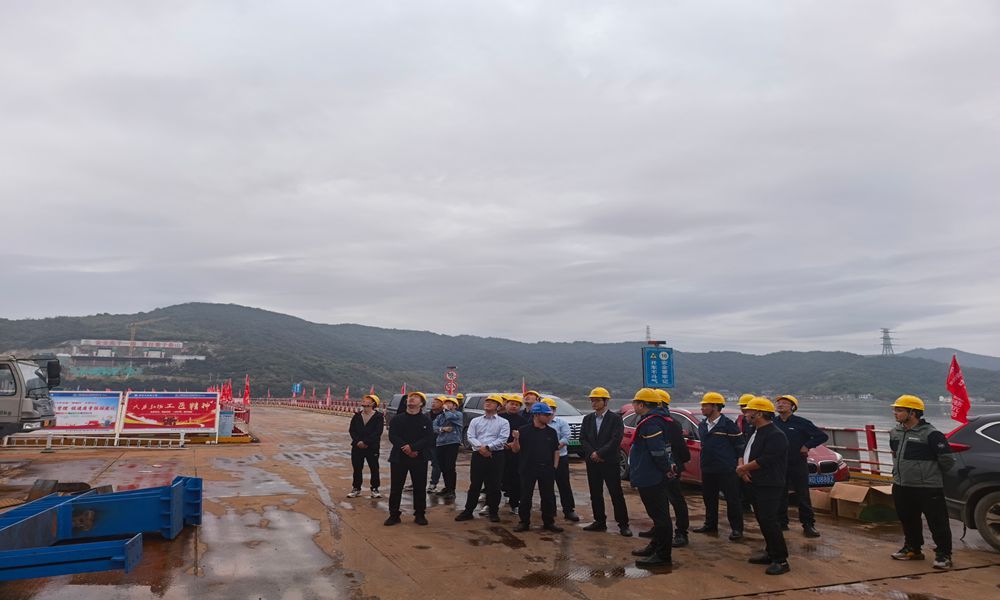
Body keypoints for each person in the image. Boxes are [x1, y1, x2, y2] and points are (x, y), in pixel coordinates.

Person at [888, 395, 955, 569]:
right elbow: (895, 455)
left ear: (913, 413)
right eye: (895, 410)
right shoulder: (895, 432)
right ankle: (913, 549)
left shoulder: (932, 434)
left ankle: (944, 554)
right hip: (902, 485)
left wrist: (928, 475)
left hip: (927, 487)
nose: (895, 413)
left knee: (937, 522)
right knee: (908, 519)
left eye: (899, 410)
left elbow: (947, 460)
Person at [628, 388, 685, 568]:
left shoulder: (651, 423)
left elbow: (658, 452)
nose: (633, 405)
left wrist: (666, 469)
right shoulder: (656, 419)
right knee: (658, 516)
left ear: (642, 405)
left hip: (651, 476)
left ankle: (662, 555)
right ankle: (655, 546)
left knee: (661, 518)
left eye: (635, 402)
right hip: (651, 474)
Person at [736, 397, 790, 575]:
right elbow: (745, 451)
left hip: (770, 484)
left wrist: (744, 468)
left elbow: (767, 459)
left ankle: (781, 560)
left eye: (749, 411)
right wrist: (743, 468)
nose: (745, 414)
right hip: (756, 482)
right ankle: (770, 552)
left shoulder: (775, 435)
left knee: (769, 520)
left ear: (759, 413)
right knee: (762, 519)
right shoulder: (755, 431)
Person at [638, 389, 691, 547]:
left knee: (676, 500)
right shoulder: (651, 421)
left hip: (669, 468)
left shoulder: (670, 423)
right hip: (657, 468)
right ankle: (659, 529)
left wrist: (673, 466)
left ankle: (681, 532)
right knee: (660, 503)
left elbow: (681, 449)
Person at [773, 394, 827, 538]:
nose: (780, 405)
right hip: (779, 464)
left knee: (802, 495)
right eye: (778, 403)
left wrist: (807, 445)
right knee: (780, 494)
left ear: (792, 407)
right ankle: (782, 522)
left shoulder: (802, 423)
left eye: (784, 403)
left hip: (797, 463)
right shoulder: (773, 422)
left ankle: (808, 524)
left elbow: (822, 436)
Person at [693, 392, 744, 540]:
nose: (702, 408)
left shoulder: (728, 425)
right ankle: (710, 524)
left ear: (715, 406)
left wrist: (739, 464)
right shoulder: (703, 425)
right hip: (708, 468)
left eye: (705, 405)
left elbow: (739, 446)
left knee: (732, 499)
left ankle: (737, 529)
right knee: (709, 498)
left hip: (726, 469)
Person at [580, 386, 631, 536]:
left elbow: (616, 439)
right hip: (593, 462)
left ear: (605, 401)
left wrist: (600, 453)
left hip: (609, 461)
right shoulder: (588, 419)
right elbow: (583, 438)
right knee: (595, 493)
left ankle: (623, 524)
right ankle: (599, 521)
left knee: (616, 493)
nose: (594, 403)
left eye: (597, 400)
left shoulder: (615, 419)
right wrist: (593, 453)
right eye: (592, 400)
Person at [455, 394, 510, 523]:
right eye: (487, 401)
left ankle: (493, 512)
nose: (488, 403)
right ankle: (468, 511)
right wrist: (481, 448)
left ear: (498, 406)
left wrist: (488, 447)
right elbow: (470, 436)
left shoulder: (503, 422)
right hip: (478, 455)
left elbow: (502, 439)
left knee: (494, 485)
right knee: (475, 484)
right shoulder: (476, 421)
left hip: (496, 456)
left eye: (492, 402)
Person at [385, 391, 435, 526]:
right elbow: (393, 436)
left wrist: (413, 448)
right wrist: (406, 448)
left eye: (416, 398)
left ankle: (420, 514)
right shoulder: (397, 419)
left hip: (419, 457)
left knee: (419, 487)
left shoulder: (425, 420)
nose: (411, 399)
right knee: (396, 488)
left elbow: (428, 438)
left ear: (421, 403)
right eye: (409, 397)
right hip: (399, 457)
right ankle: (394, 515)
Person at [512, 401, 562, 533]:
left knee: (548, 497)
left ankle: (549, 522)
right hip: (528, 468)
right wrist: (516, 439)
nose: (549, 417)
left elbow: (556, 451)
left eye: (550, 415)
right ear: (537, 415)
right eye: (546, 415)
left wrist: (554, 467)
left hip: (546, 469)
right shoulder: (524, 430)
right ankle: (524, 522)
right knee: (525, 496)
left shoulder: (551, 432)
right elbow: (515, 450)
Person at [543, 397, 579, 522]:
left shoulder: (561, 423)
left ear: (554, 410)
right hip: (544, 459)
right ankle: (550, 510)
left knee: (564, 484)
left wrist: (555, 446)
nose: (548, 413)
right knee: (547, 485)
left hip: (561, 457)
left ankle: (569, 510)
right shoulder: (538, 424)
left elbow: (566, 437)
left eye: (551, 410)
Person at [348, 394, 385, 499]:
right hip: (357, 447)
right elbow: (352, 430)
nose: (364, 402)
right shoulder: (357, 416)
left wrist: (366, 442)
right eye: (364, 400)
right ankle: (356, 488)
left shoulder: (378, 417)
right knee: (357, 468)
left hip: (372, 447)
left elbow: (377, 432)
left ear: (373, 403)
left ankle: (375, 488)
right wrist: (358, 441)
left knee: (374, 468)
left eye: (368, 400)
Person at [499, 394, 529, 514]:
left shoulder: (522, 421)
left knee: (515, 479)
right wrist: (501, 444)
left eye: (517, 405)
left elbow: (525, 437)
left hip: (515, 454)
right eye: (512, 404)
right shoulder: (499, 418)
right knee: (496, 479)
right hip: (498, 452)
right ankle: (490, 505)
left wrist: (514, 443)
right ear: (506, 405)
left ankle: (514, 504)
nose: (514, 406)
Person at [432, 396, 464, 500]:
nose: (446, 404)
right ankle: (447, 487)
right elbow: (433, 427)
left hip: (452, 442)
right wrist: (443, 429)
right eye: (446, 403)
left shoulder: (458, 414)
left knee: (450, 466)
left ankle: (451, 490)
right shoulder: (440, 416)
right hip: (440, 443)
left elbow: (451, 417)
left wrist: (446, 410)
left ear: (455, 406)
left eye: (449, 403)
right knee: (443, 466)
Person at [736, 393, 757, 513]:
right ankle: (745, 506)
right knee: (741, 484)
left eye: (746, 406)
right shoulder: (739, 420)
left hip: (754, 457)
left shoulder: (759, 423)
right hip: (742, 455)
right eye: (742, 406)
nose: (743, 409)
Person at [426, 395, 446, 493]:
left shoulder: (445, 417)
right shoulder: (426, 415)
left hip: (437, 444)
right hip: (425, 443)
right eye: (433, 402)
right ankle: (415, 483)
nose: (433, 403)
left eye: (437, 402)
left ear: (443, 405)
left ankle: (433, 484)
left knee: (436, 464)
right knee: (419, 463)